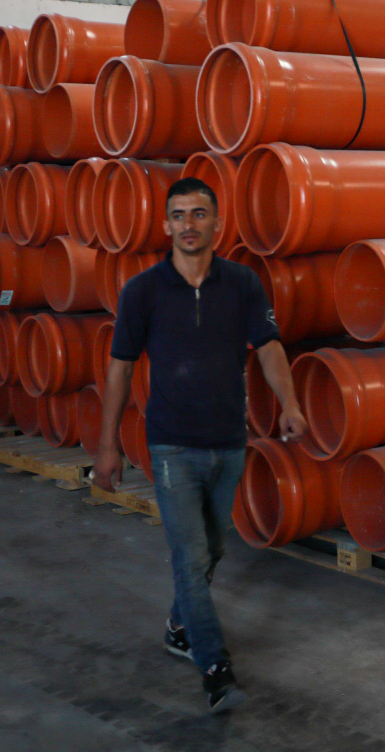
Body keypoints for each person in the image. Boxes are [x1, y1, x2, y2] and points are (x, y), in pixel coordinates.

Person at [93, 176, 306, 714]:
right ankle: (215, 667)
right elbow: (119, 369)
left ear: (217, 222)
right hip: (171, 447)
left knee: (210, 551)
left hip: (228, 443)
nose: (189, 225)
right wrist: (108, 445)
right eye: (179, 215)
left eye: (199, 214)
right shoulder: (142, 291)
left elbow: (269, 348)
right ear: (165, 225)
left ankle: (177, 625)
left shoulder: (243, 285)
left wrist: (291, 402)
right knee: (189, 557)